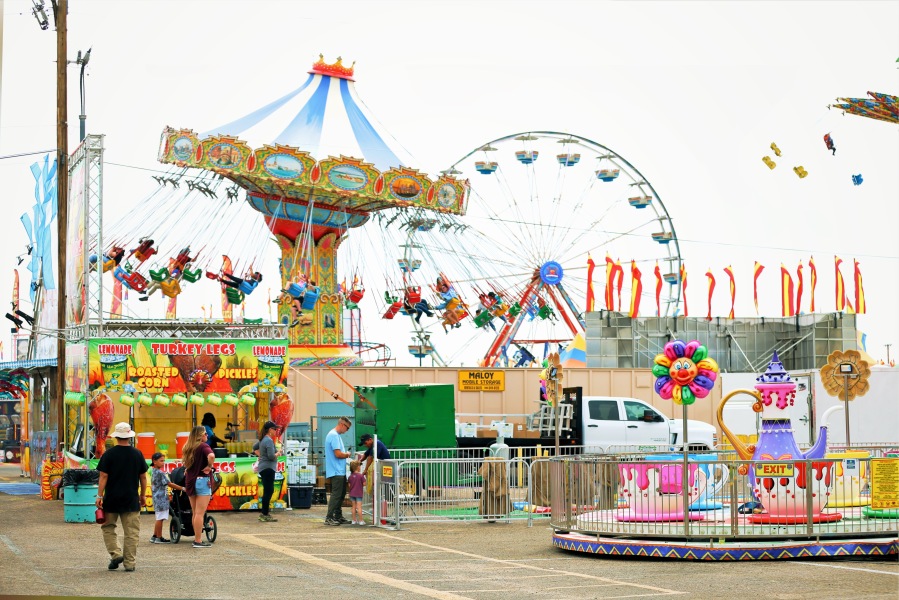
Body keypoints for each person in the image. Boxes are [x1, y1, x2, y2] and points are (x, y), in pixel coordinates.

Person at [95, 422, 148, 572]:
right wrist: (143, 495)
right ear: (129, 437)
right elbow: (143, 477)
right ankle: (130, 563)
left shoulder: (109, 454)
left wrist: (100, 495)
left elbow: (103, 476)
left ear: (116, 437)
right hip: (131, 499)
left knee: (108, 527)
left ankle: (116, 554)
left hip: (111, 498)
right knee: (131, 532)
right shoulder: (137, 454)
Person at [182, 426, 215, 548]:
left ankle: (196, 538)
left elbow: (188, 464)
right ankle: (198, 540)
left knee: (195, 512)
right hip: (202, 480)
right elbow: (211, 456)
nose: (207, 435)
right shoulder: (203, 446)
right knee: (200, 513)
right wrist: (209, 466)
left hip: (190, 480)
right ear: (200, 435)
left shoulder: (188, 447)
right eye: (205, 433)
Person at [149, 452, 184, 544]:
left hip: (157, 497)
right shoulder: (160, 473)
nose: (163, 463)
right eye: (161, 461)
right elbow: (169, 483)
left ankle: (155, 536)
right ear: (154, 461)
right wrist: (182, 488)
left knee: (159, 517)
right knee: (160, 518)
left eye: (164, 461)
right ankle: (159, 537)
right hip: (161, 498)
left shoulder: (153, 471)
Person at [324, 416, 353, 526]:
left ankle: (338, 515)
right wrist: (347, 454)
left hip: (338, 470)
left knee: (340, 494)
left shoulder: (335, 435)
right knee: (337, 494)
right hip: (336, 470)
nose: (347, 430)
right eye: (347, 428)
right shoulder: (334, 436)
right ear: (342, 425)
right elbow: (338, 454)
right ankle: (329, 517)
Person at [256, 421, 280, 522]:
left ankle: (265, 513)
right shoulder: (269, 441)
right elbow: (271, 456)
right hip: (268, 468)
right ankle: (264, 513)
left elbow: (255, 448)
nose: (276, 431)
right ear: (270, 430)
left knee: (267, 490)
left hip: (264, 468)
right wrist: (278, 453)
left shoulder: (263, 440)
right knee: (269, 490)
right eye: (274, 429)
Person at [347, 460, 365, 525]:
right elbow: (364, 484)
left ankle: (354, 520)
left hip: (352, 493)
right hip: (359, 493)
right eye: (359, 466)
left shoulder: (350, 476)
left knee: (353, 507)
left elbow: (349, 485)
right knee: (359, 507)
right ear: (357, 467)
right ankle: (361, 520)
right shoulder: (361, 476)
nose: (360, 467)